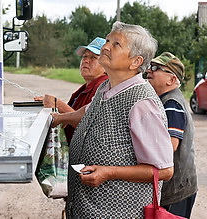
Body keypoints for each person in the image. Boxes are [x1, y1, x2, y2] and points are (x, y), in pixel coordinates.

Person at [51, 21, 174, 218]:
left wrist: (109, 172)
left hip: (119, 213)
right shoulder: (106, 87)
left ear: (135, 62)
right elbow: (89, 110)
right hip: (88, 209)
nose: (105, 46)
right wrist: (59, 118)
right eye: (107, 40)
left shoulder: (142, 103)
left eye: (116, 44)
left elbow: (165, 170)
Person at [146, 52, 198, 218]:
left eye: (156, 68)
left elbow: (170, 145)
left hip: (177, 189)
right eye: (150, 67)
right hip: (177, 186)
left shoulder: (172, 104)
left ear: (172, 79)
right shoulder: (164, 99)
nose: (149, 71)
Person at [34, 37, 108, 143]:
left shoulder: (103, 88)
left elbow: (88, 125)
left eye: (93, 58)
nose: (86, 61)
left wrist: (58, 104)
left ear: (106, 65)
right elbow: (73, 115)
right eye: (85, 56)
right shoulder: (87, 87)